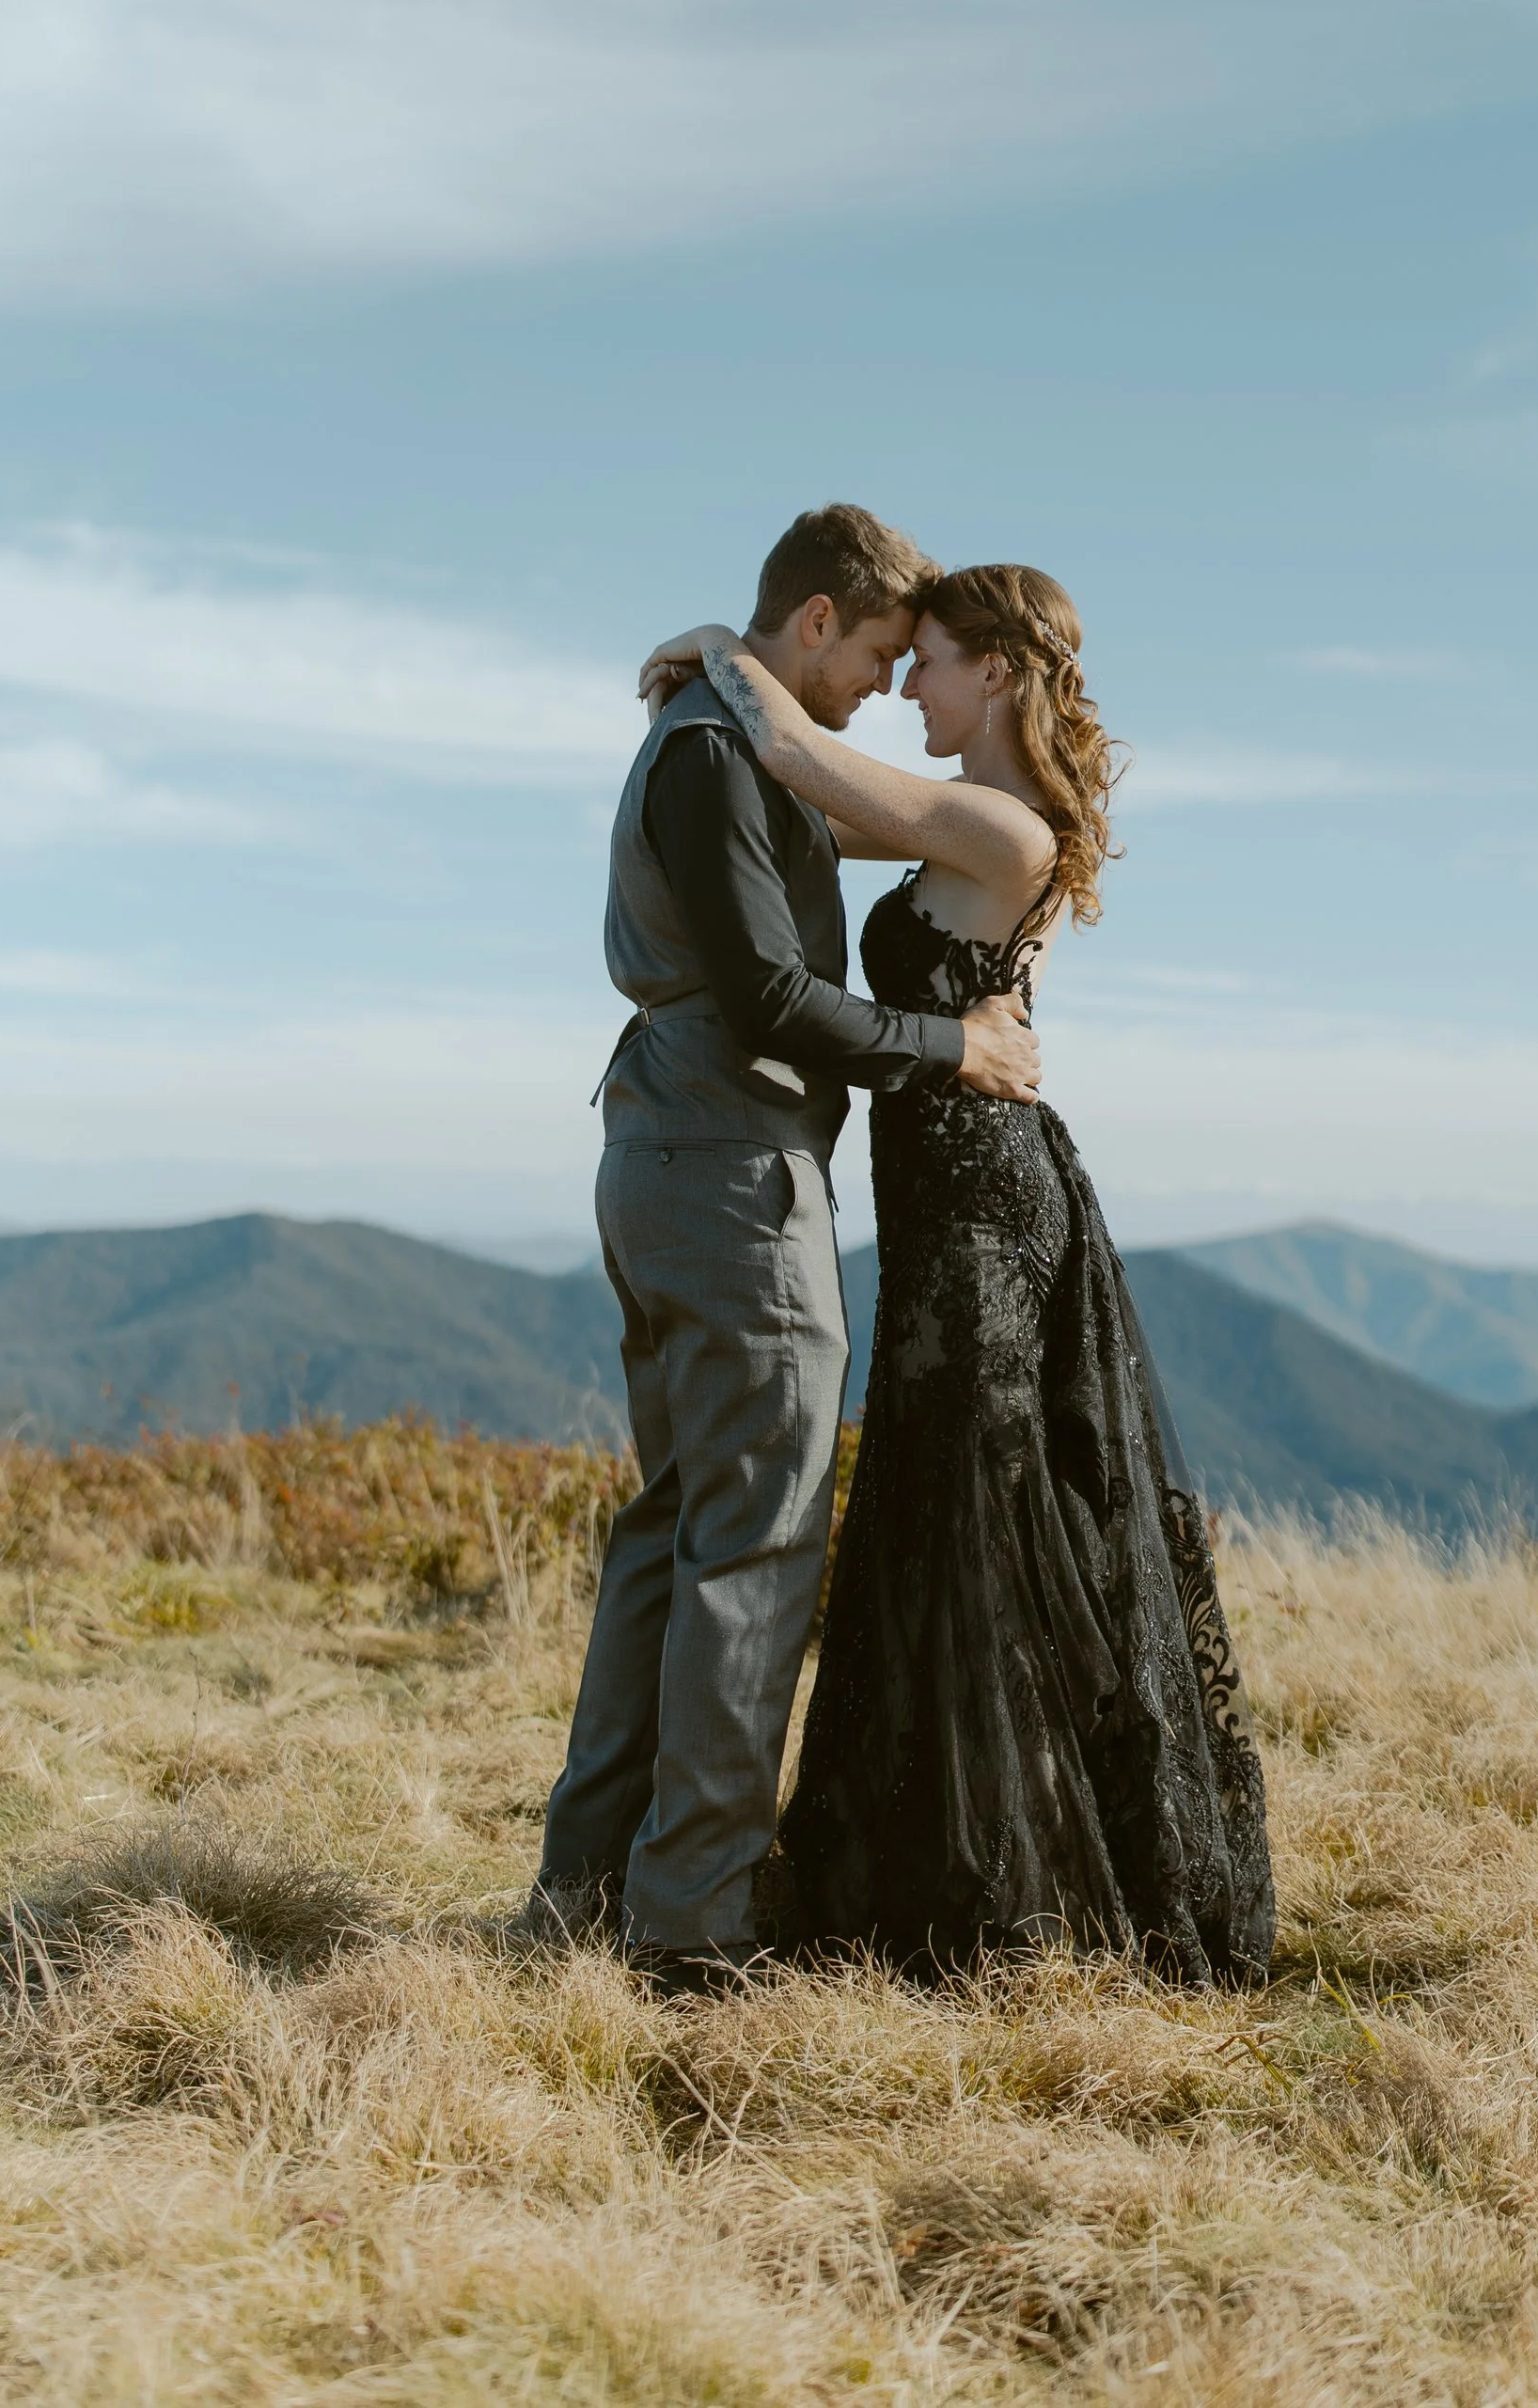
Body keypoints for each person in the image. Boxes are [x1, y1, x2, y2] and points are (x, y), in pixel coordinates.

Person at [640, 564, 1274, 1986]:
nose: (905, 685)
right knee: (943, 1509)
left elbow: (792, 752)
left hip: (989, 1205)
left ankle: (1013, 1907)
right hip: (946, 1201)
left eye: (923, 660)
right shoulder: (960, 817)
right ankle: (941, 1878)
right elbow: (802, 809)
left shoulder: (999, 825)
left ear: (994, 671)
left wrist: (719, 646)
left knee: (980, 1520)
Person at [522, 503, 1044, 1985]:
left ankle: (588, 1894)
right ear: (817, 621)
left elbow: (853, 821)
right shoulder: (711, 754)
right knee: (755, 1538)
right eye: (877, 653)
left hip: (679, 1154)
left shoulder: (724, 741)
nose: (883, 685)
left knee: (676, 1529)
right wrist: (954, 1046)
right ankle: (692, 1922)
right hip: (730, 1172)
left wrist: (721, 656)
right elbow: (767, 994)